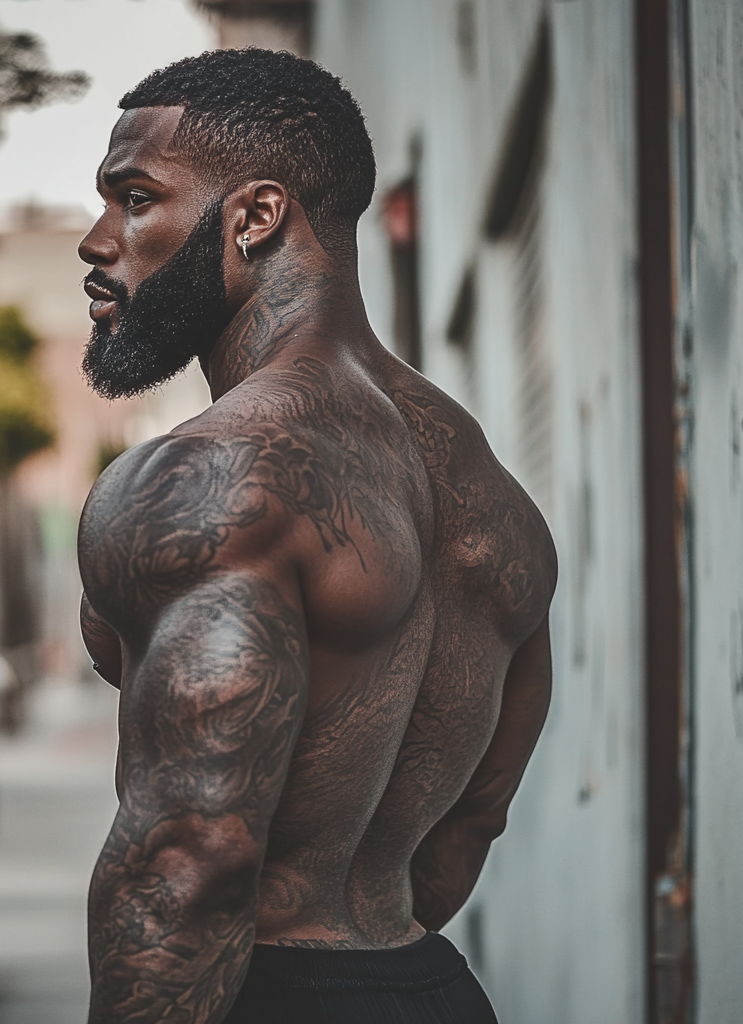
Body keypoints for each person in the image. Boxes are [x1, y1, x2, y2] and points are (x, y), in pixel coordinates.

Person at [76, 47, 557, 1024]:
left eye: (133, 198)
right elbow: (471, 817)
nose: (96, 240)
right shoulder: (488, 493)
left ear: (255, 216)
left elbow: (191, 865)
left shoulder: (211, 477)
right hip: (424, 986)